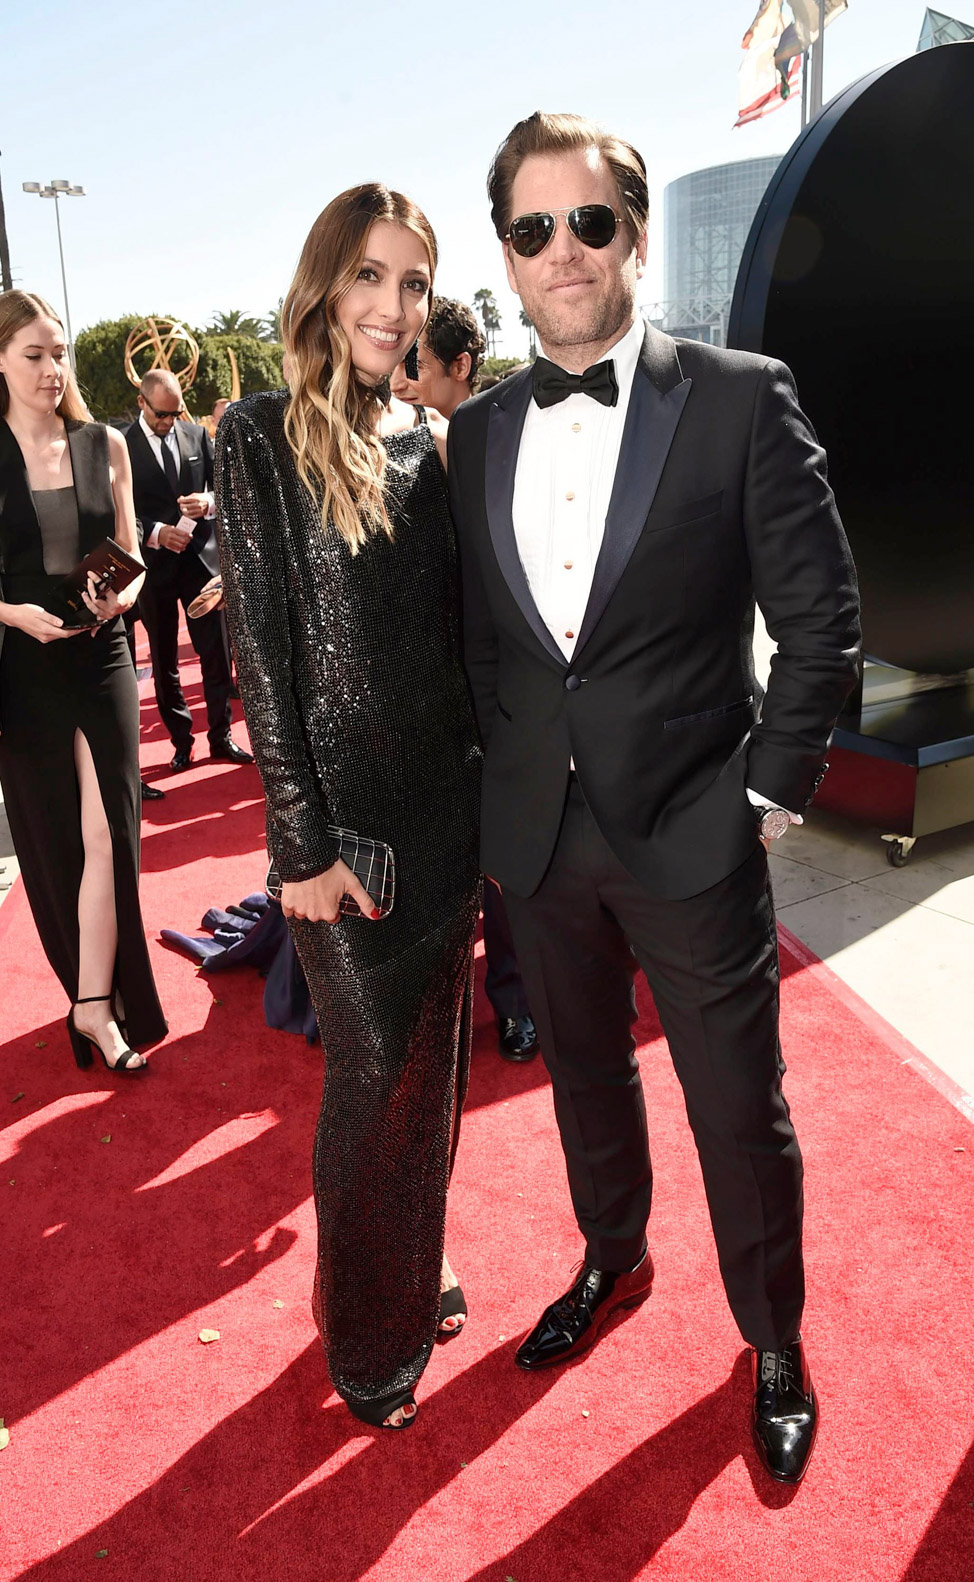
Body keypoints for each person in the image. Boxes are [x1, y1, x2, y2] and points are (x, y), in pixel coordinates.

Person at [448, 112, 861, 1484]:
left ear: (629, 226)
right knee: (582, 1079)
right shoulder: (479, 433)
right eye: (530, 229)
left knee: (738, 1104)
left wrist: (768, 793)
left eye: (588, 221)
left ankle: (776, 1338)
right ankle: (610, 1256)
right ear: (505, 256)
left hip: (697, 826)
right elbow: (479, 639)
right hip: (540, 838)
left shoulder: (742, 393)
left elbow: (821, 622)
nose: (561, 252)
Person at [215, 184, 482, 1432]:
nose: (392, 306)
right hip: (347, 841)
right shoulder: (258, 433)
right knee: (371, 1078)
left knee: (431, 1075)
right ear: (326, 288)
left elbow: (446, 638)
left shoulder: (424, 442)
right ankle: (366, 1347)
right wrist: (299, 848)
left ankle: (403, 1271)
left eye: (413, 283)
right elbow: (261, 657)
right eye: (371, 277)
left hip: (446, 813)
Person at [0, 291, 167, 1071]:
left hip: (102, 661)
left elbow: (131, 555)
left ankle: (95, 1006)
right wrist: (14, 614)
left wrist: (118, 597)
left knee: (111, 836)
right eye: (34, 354)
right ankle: (89, 994)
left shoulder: (105, 444)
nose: (51, 368)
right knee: (57, 842)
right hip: (21, 669)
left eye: (58, 352)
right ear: (0, 359)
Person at [392, 297, 538, 1062]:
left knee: (504, 860)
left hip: (495, 684)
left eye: (417, 359)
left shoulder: (488, 438)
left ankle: (516, 998)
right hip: (419, 685)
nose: (405, 374)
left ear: (458, 365)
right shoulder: (388, 439)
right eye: (400, 357)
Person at [125, 371, 252, 772]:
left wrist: (208, 501)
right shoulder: (120, 447)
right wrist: (157, 533)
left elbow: (227, 487)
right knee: (164, 660)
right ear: (142, 403)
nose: (169, 421)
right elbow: (117, 512)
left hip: (201, 563)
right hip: (154, 570)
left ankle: (221, 736)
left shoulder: (196, 436)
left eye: (175, 412)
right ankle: (182, 743)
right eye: (162, 414)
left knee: (216, 652)